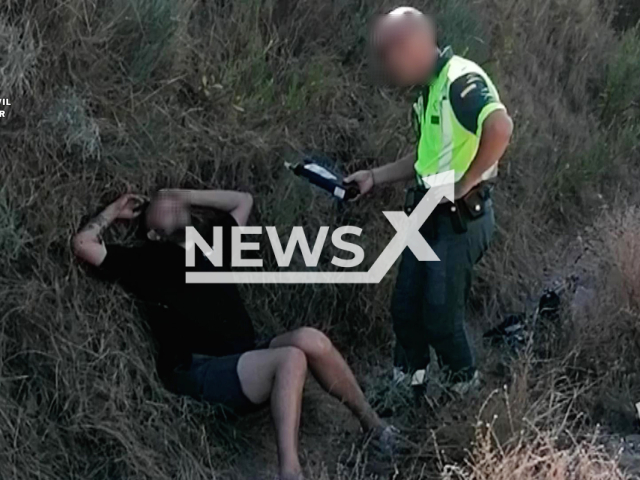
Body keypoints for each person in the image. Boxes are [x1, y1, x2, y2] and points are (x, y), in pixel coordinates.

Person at [72, 189, 395, 480]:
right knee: (291, 358)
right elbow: (84, 244)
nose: (167, 203)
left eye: (172, 203)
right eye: (158, 206)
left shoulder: (214, 244)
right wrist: (114, 210)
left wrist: (179, 193)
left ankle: (375, 427)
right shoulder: (147, 260)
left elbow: (243, 200)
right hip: (198, 369)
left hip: (244, 356)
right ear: (153, 234)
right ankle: (290, 472)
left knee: (310, 338)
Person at [346, 7, 513, 395]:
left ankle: (462, 394)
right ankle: (409, 391)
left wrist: (466, 182)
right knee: (406, 310)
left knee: (439, 315)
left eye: (389, 54)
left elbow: (500, 127)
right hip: (425, 214)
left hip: (460, 217)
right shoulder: (428, 94)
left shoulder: (459, 79)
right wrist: (374, 177)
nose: (386, 65)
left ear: (413, 47)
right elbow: (425, 161)